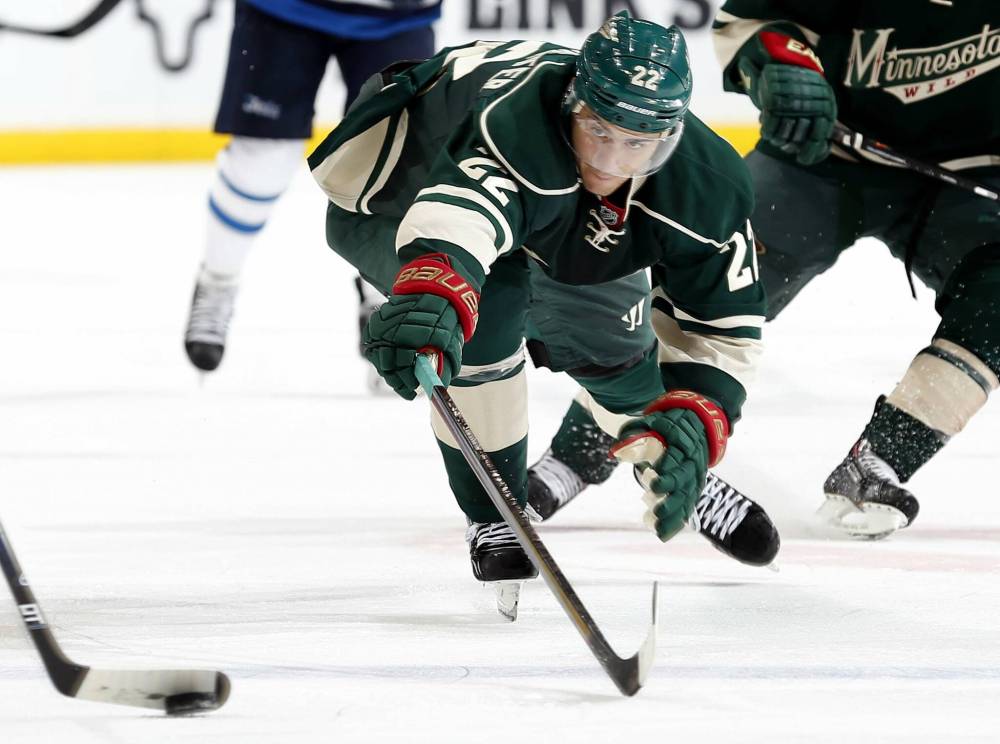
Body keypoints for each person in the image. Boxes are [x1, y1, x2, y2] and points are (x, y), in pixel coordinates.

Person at [308, 11, 772, 593]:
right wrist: (434, 286)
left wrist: (697, 414)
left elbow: (724, 326)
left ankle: (661, 459)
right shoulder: (516, 120)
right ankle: (496, 515)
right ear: (572, 102)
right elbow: (461, 219)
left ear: (671, 135)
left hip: (554, 213)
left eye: (636, 143)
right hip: (402, 193)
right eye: (599, 130)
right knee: (484, 311)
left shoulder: (708, 184)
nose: (609, 161)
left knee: (615, 342)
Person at [710, 1, 1000, 537]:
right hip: (826, 156)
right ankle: (586, 449)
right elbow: (748, 21)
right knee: (710, 285)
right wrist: (780, 64)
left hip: (970, 176)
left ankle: (880, 459)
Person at [183, 0, 441, 374]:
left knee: (392, 159)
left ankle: (386, 298)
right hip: (283, 9)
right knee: (262, 160)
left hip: (396, 14)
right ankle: (218, 280)